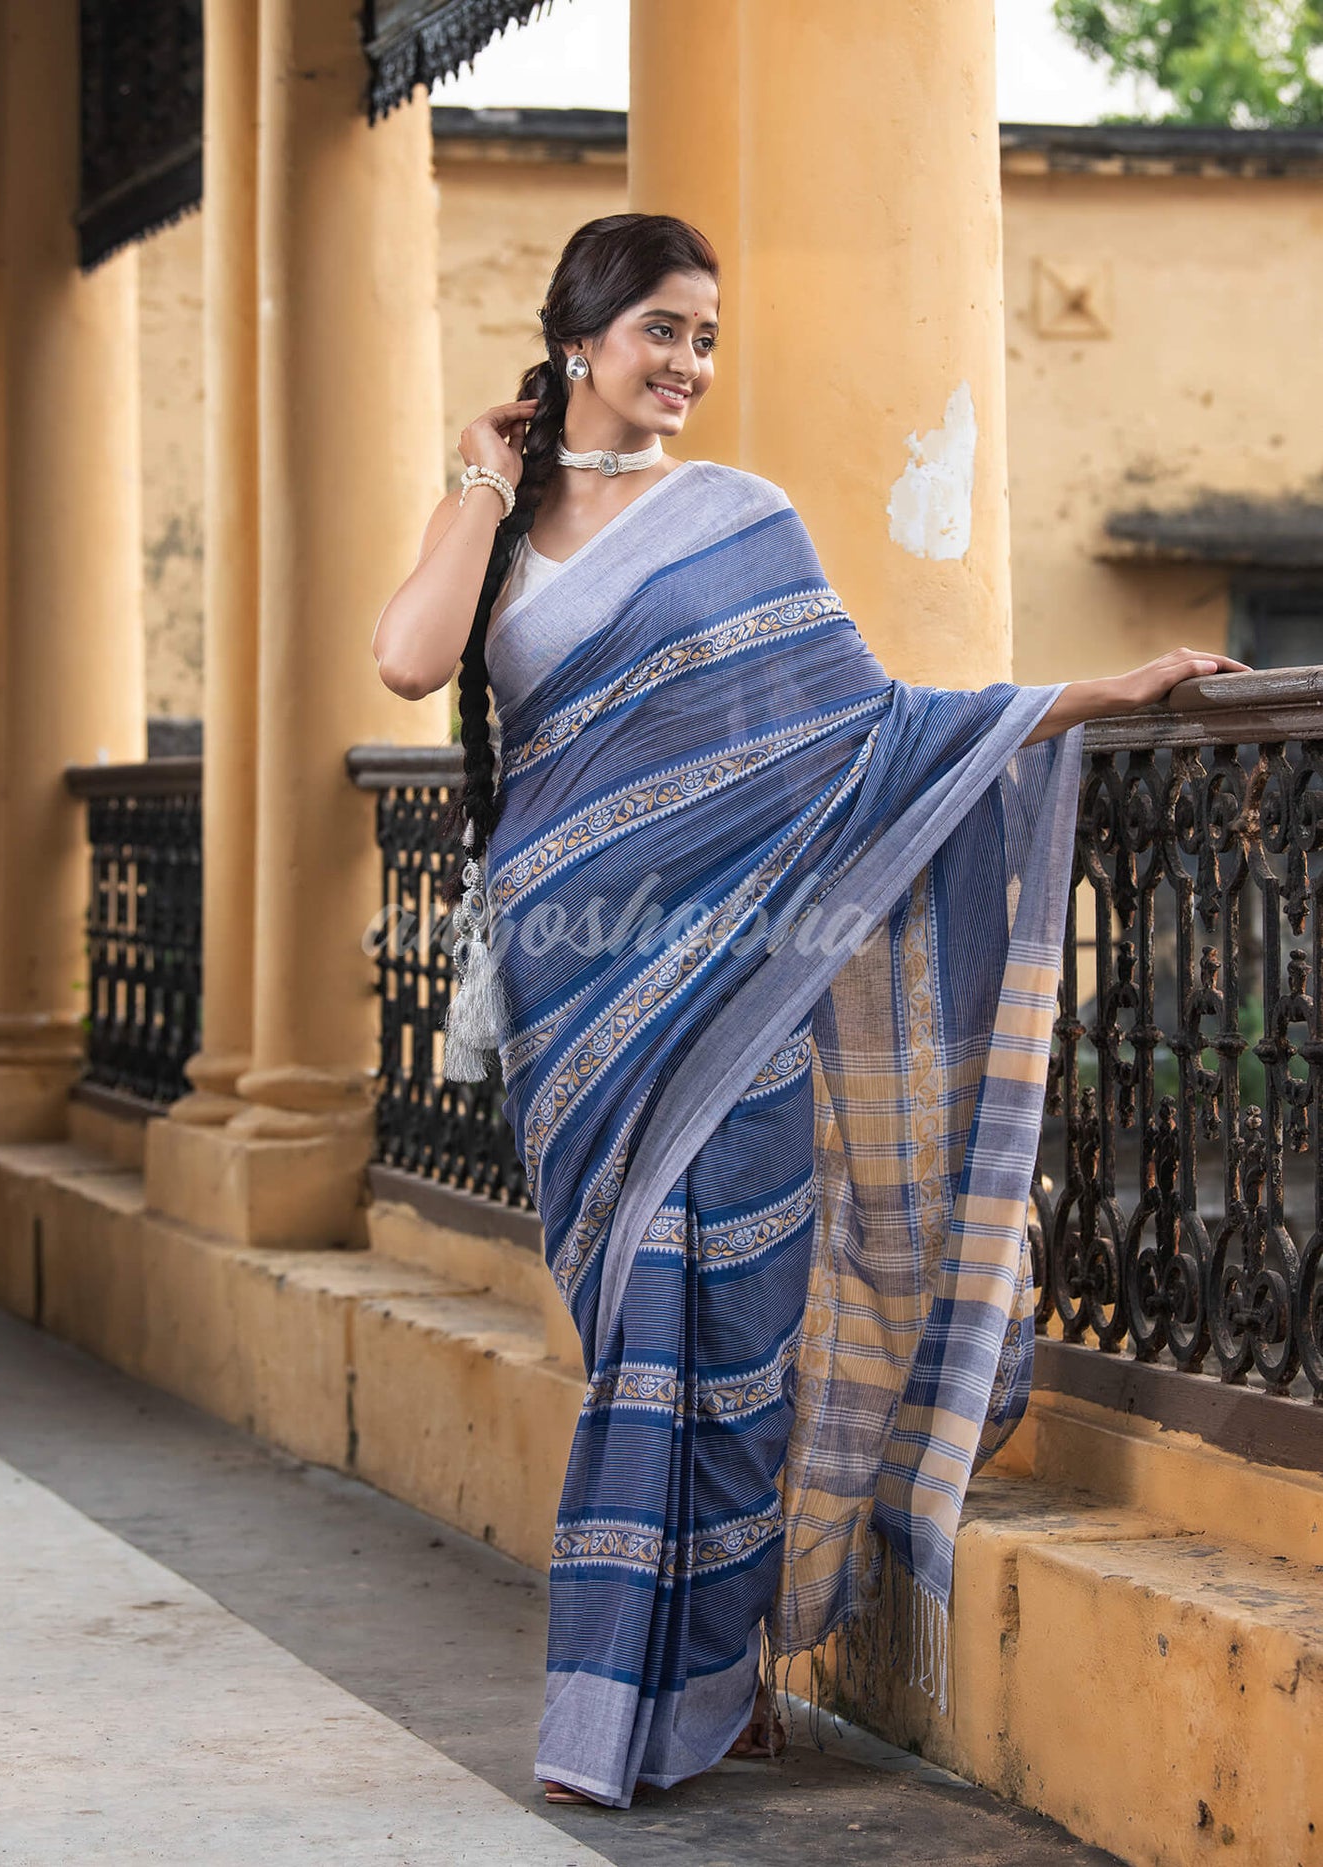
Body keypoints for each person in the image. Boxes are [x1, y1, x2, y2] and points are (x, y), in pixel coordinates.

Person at [370, 213, 1246, 1810]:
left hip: (746, 994)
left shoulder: (740, 520)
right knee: (643, 1325)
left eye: (707, 336)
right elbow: (407, 663)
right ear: (578, 339)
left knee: (736, 1320)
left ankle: (716, 1680)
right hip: (587, 997)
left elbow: (874, 730)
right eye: (660, 329)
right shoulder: (490, 516)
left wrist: (1091, 696)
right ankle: (658, 1694)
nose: (688, 363)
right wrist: (483, 479)